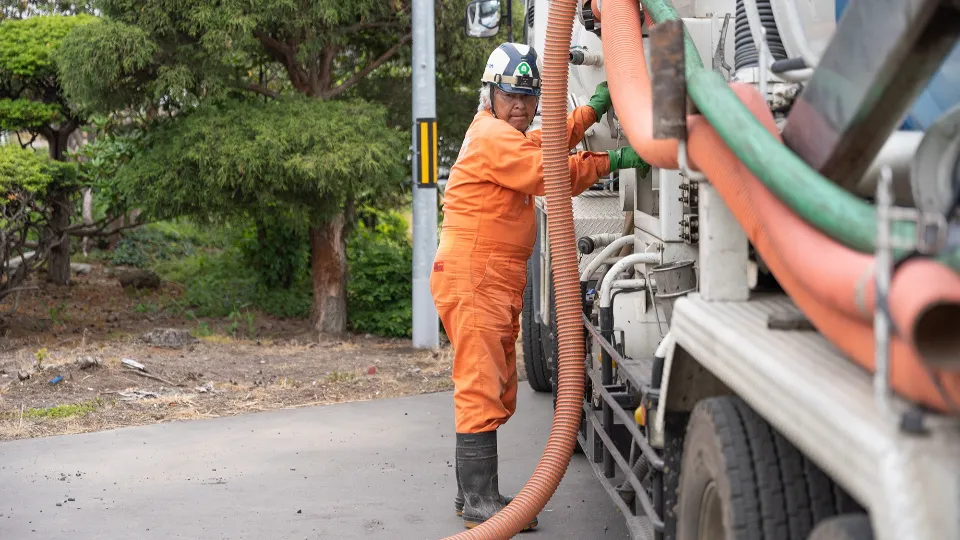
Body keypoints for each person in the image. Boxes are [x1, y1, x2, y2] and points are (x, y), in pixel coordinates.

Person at [430, 42, 647, 530]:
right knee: (482, 384)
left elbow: (543, 142)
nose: (521, 106)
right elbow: (546, 168)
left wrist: (590, 111)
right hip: (475, 276)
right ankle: (482, 503)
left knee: (495, 383)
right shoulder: (491, 136)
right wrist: (613, 163)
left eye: (529, 97)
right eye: (511, 95)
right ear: (490, 94)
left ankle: (474, 496)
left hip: (485, 277)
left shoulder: (504, 133)